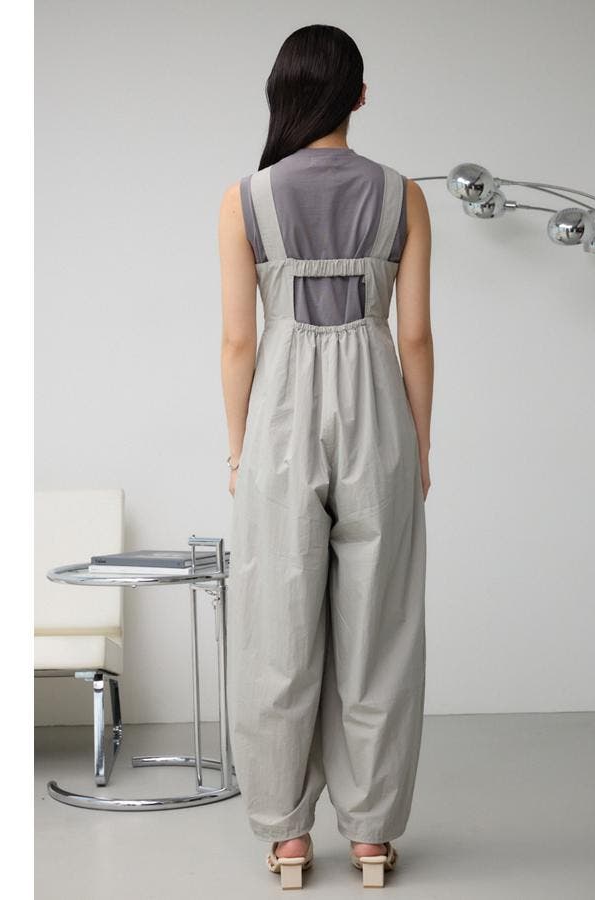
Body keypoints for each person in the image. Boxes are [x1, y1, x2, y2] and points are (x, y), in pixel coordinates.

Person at [218, 23, 433, 889]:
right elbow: (415, 337)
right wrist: (421, 445)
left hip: (278, 415)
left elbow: (239, 341)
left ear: (283, 94)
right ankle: (371, 837)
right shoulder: (403, 195)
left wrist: (239, 451)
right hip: (378, 409)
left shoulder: (245, 199)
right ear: (360, 95)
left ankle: (287, 837)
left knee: (276, 625)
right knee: (380, 628)